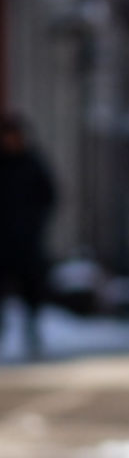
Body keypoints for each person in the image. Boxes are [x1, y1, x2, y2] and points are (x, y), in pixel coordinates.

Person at [0, 113, 57, 359]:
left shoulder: (32, 163)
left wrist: (34, 222)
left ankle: (32, 334)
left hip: (27, 239)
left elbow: (50, 195)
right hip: (2, 240)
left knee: (31, 287)